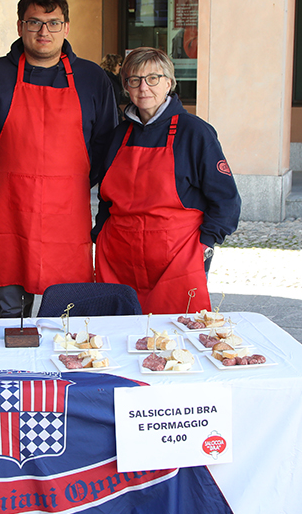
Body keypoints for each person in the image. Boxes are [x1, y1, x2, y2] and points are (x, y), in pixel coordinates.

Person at [0, 0, 118, 318]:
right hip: (8, 207)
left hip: (67, 212)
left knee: (64, 314)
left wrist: (77, 178)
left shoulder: (92, 78)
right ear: (21, 26)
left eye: (53, 23)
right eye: (34, 22)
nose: (43, 32)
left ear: (65, 27)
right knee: (11, 316)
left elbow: (106, 142)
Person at [93, 47, 241, 314]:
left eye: (153, 78)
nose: (143, 87)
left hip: (179, 258)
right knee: (116, 334)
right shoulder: (119, 135)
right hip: (118, 257)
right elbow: (106, 197)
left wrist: (205, 243)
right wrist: (100, 231)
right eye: (134, 79)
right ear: (125, 86)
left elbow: (226, 199)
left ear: (169, 83)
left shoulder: (195, 132)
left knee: (176, 339)